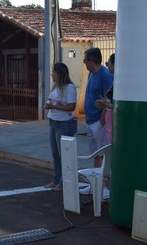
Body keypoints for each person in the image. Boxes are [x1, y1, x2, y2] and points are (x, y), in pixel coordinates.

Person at [44, 62, 78, 191]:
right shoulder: (55, 86)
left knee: (64, 154)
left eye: (54, 72)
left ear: (60, 74)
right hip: (53, 121)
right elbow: (50, 99)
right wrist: (48, 104)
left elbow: (71, 107)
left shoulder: (69, 88)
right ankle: (56, 180)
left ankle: (64, 183)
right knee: (55, 154)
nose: (52, 74)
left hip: (63, 123)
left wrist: (53, 106)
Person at [83, 48, 113, 168]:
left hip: (98, 121)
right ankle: (95, 181)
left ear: (91, 60)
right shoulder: (91, 74)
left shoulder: (105, 76)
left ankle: (103, 183)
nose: (84, 63)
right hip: (90, 120)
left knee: (102, 153)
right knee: (95, 153)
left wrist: (102, 121)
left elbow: (107, 99)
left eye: (85, 60)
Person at [96, 53, 116, 145]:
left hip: (113, 121)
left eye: (108, 63)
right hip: (108, 122)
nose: (107, 66)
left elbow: (116, 106)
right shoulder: (115, 81)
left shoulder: (119, 82)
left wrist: (104, 104)